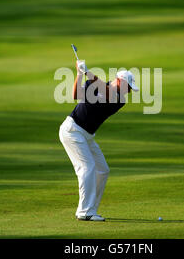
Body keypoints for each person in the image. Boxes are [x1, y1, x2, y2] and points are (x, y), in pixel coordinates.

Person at [59, 60, 139, 221]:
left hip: (87, 136)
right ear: (119, 81)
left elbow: (107, 92)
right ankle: (85, 212)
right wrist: (80, 74)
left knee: (102, 169)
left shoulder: (119, 99)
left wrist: (88, 72)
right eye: (128, 87)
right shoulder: (97, 85)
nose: (129, 91)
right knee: (87, 167)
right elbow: (76, 95)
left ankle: (91, 209)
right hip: (73, 131)